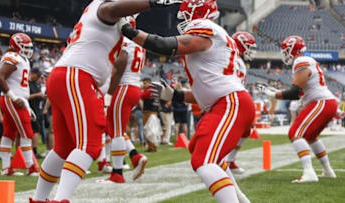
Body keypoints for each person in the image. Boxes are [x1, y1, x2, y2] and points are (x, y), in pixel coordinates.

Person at [31, 0, 180, 202]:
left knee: (63, 149)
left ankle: (39, 199)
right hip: (76, 77)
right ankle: (61, 199)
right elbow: (112, 9)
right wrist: (151, 3)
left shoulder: (103, 18)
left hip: (67, 77)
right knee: (90, 144)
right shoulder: (105, 8)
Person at [120, 0, 255, 201]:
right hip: (227, 102)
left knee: (204, 160)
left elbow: (164, 45)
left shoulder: (206, 29)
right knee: (207, 156)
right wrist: (176, 95)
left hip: (229, 103)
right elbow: (206, 91)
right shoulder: (219, 40)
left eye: (184, 15)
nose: (182, 20)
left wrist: (128, 30)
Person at [258, 36, 338, 183]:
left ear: (292, 49)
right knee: (311, 137)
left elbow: (294, 92)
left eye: (286, 50)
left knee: (295, 132)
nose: (284, 53)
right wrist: (275, 92)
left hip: (321, 102)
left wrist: (272, 93)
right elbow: (298, 94)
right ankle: (328, 171)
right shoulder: (307, 61)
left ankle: (309, 173)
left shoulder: (300, 61)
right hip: (326, 102)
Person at [104, 16, 148, 183]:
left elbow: (119, 67)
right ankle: (135, 156)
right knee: (116, 128)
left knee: (115, 132)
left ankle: (117, 173)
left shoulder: (125, 40)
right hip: (134, 87)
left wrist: (109, 94)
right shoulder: (139, 42)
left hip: (124, 87)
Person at [0, 33, 38, 176]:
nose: (28, 50)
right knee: (26, 132)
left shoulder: (22, 59)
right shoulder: (12, 57)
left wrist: (27, 105)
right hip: (12, 99)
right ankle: (30, 167)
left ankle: (6, 168)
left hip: (18, 99)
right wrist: (13, 98)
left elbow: (20, 86)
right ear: (16, 45)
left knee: (9, 134)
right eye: (24, 47)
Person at [225, 31, 257, 175]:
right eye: (249, 46)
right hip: (228, 99)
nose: (251, 50)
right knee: (227, 132)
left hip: (235, 98)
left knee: (245, 130)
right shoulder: (232, 59)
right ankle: (217, 163)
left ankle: (229, 161)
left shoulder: (237, 59)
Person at [28, 68, 45, 159]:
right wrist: (37, 95)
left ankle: (34, 150)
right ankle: (31, 151)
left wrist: (42, 96)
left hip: (38, 110)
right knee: (33, 131)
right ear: (32, 74)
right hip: (30, 110)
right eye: (37, 75)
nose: (38, 77)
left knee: (37, 131)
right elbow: (26, 97)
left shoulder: (36, 84)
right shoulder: (27, 84)